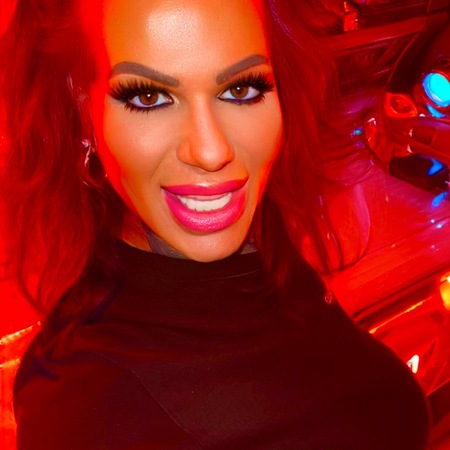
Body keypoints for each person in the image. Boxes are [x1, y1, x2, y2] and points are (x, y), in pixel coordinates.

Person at [0, 0, 430, 448]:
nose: (211, 151)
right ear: (82, 106)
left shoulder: (266, 251)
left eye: (241, 89)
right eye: (149, 97)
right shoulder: (83, 414)